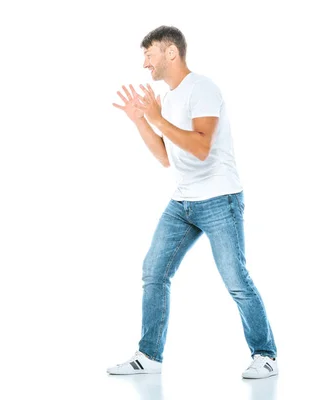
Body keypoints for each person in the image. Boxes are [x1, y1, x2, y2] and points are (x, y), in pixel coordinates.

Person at [108, 26, 277, 379]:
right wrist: (142, 122)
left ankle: (265, 355)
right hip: (183, 201)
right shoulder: (167, 99)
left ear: (171, 52)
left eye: (149, 54)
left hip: (219, 199)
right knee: (154, 271)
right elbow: (165, 157)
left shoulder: (202, 89)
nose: (145, 63)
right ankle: (149, 356)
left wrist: (155, 118)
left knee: (235, 277)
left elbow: (200, 148)